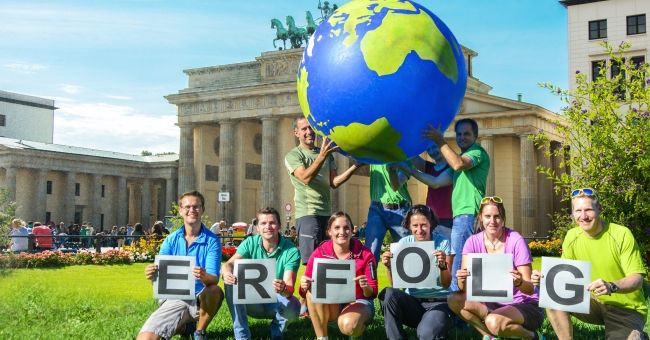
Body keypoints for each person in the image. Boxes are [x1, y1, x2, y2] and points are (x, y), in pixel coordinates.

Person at [532, 188, 648, 340]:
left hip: (625, 307)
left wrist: (610, 286)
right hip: (590, 301)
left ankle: (636, 334)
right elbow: (564, 276)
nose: (583, 216)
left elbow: (637, 279)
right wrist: (545, 278)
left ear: (599, 209)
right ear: (573, 213)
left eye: (588, 210)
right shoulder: (572, 236)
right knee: (553, 296)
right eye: (578, 210)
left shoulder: (621, 234)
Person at [447, 196, 543, 340]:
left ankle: (532, 336)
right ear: (480, 218)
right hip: (491, 303)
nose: (492, 221)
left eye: (497, 216)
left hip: (523, 304)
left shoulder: (516, 240)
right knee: (453, 299)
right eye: (487, 216)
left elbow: (529, 289)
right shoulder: (472, 242)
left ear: (503, 218)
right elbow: (464, 288)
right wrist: (462, 279)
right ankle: (490, 337)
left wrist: (519, 282)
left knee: (493, 322)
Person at [137, 191, 224, 340]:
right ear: (180, 210)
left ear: (202, 209)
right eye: (188, 206)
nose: (192, 210)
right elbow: (161, 278)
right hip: (174, 299)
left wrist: (204, 276)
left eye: (196, 206)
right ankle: (185, 327)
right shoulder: (170, 240)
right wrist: (152, 275)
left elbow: (214, 279)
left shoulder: (212, 241)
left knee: (215, 291)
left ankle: (199, 332)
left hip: (199, 297)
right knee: (146, 338)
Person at [421, 118, 490, 291]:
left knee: (458, 265)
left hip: (468, 215)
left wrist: (439, 140)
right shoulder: (457, 160)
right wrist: (407, 168)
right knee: (464, 265)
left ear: (475, 136)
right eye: (459, 134)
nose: (462, 137)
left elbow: (459, 164)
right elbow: (435, 182)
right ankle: (465, 307)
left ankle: (453, 309)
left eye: (466, 134)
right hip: (461, 216)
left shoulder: (477, 152)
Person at [284, 116, 362, 264]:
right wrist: (322, 156)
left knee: (329, 262)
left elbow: (334, 182)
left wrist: (355, 166)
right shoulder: (293, 155)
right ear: (296, 133)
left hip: (327, 214)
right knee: (311, 264)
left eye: (311, 128)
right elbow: (305, 178)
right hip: (308, 214)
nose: (309, 132)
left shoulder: (326, 154)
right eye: (304, 129)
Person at [221, 207, 301, 340]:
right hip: (250, 301)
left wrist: (283, 288)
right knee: (230, 282)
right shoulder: (250, 242)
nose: (268, 227)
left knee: (294, 306)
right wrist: (226, 271)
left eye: (272, 223)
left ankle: (276, 332)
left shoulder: (291, 250)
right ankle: (242, 336)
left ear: (279, 226)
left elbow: (289, 289)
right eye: (263, 223)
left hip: (275, 300)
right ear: (257, 227)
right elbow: (229, 264)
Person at [379, 205, 454, 340]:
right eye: (415, 225)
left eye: (423, 225)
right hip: (413, 302)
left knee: (426, 334)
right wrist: (389, 267)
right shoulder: (404, 243)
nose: (419, 230)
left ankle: (435, 328)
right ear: (409, 226)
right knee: (388, 293)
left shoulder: (442, 242)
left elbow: (447, 283)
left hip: (438, 302)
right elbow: (396, 284)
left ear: (431, 223)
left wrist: (442, 266)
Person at [299, 211, 377, 339]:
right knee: (312, 291)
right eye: (337, 227)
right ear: (329, 231)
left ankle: (356, 330)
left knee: (348, 325)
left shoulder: (365, 254)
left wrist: (365, 286)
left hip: (358, 301)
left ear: (352, 231)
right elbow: (303, 292)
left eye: (347, 228)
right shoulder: (319, 253)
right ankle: (322, 337)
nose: (342, 232)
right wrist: (304, 285)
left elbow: (372, 293)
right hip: (331, 304)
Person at [400, 144, 453, 235]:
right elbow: (412, 156)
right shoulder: (429, 167)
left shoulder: (452, 168)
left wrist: (410, 170)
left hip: (447, 220)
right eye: (429, 149)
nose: (432, 152)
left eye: (435, 147)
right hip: (430, 219)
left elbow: (435, 183)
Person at [364, 163, 412, 261]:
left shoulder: (406, 159)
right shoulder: (374, 155)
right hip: (376, 208)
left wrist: (392, 169)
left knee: (406, 254)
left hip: (400, 210)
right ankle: (369, 276)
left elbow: (396, 185)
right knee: (370, 253)